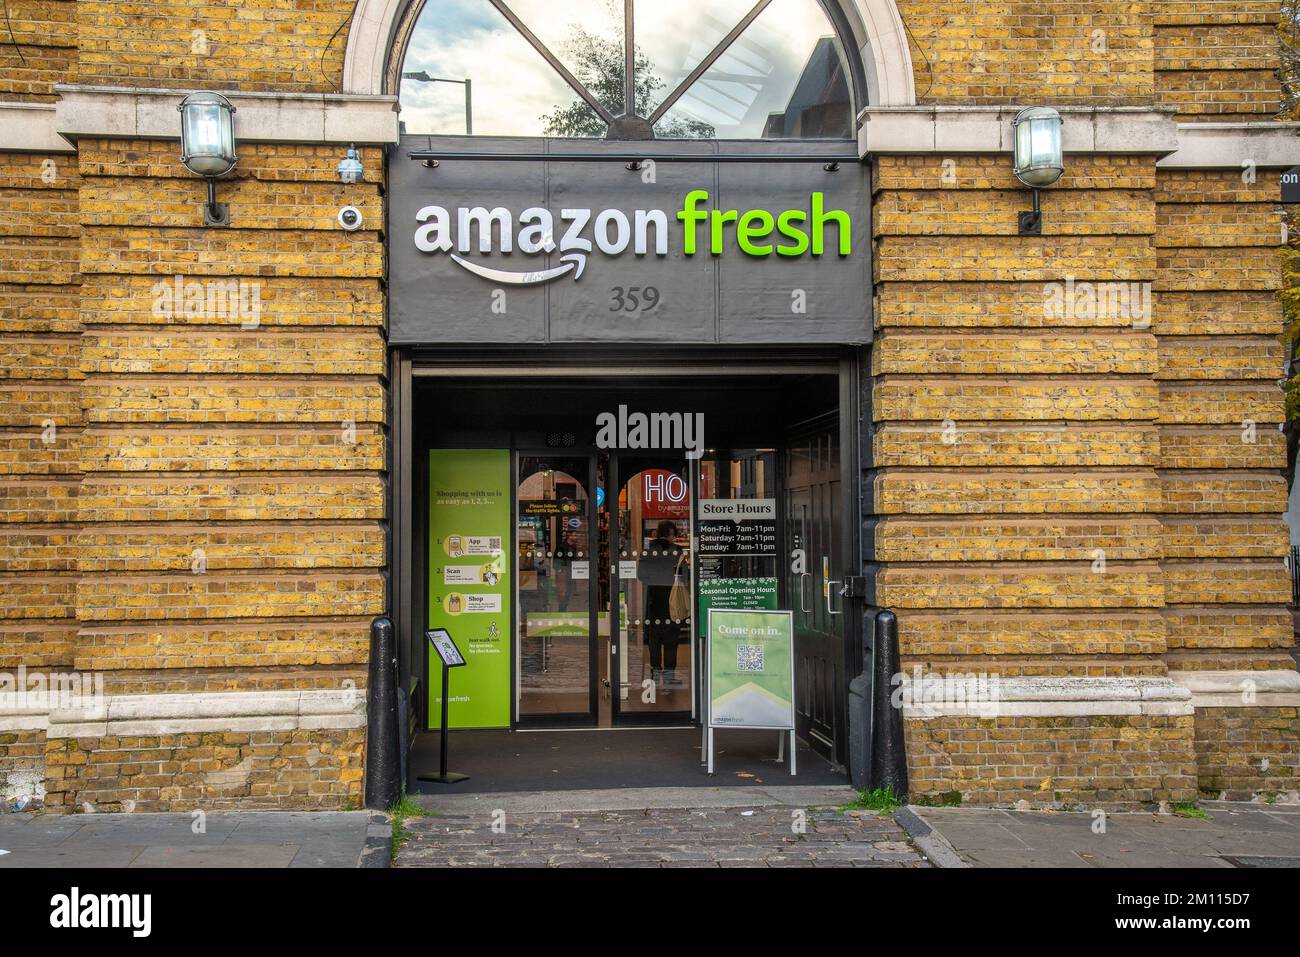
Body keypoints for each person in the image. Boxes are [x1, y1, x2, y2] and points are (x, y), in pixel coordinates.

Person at [639, 520, 685, 687]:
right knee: (671, 642)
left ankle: (655, 674)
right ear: (671, 535)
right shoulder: (678, 552)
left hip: (653, 602)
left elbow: (641, 575)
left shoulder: (648, 552)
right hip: (673, 603)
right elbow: (684, 576)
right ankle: (669, 677)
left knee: (654, 641)